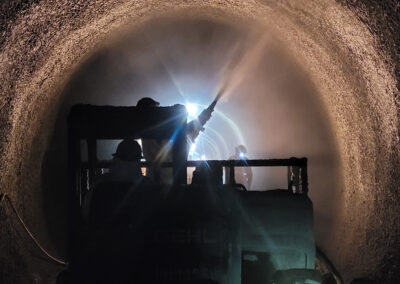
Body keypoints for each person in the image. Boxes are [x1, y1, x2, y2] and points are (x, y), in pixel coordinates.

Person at [137, 97, 215, 184]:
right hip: (172, 183)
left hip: (153, 183)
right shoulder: (174, 133)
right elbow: (196, 124)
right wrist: (208, 111)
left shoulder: (144, 132)